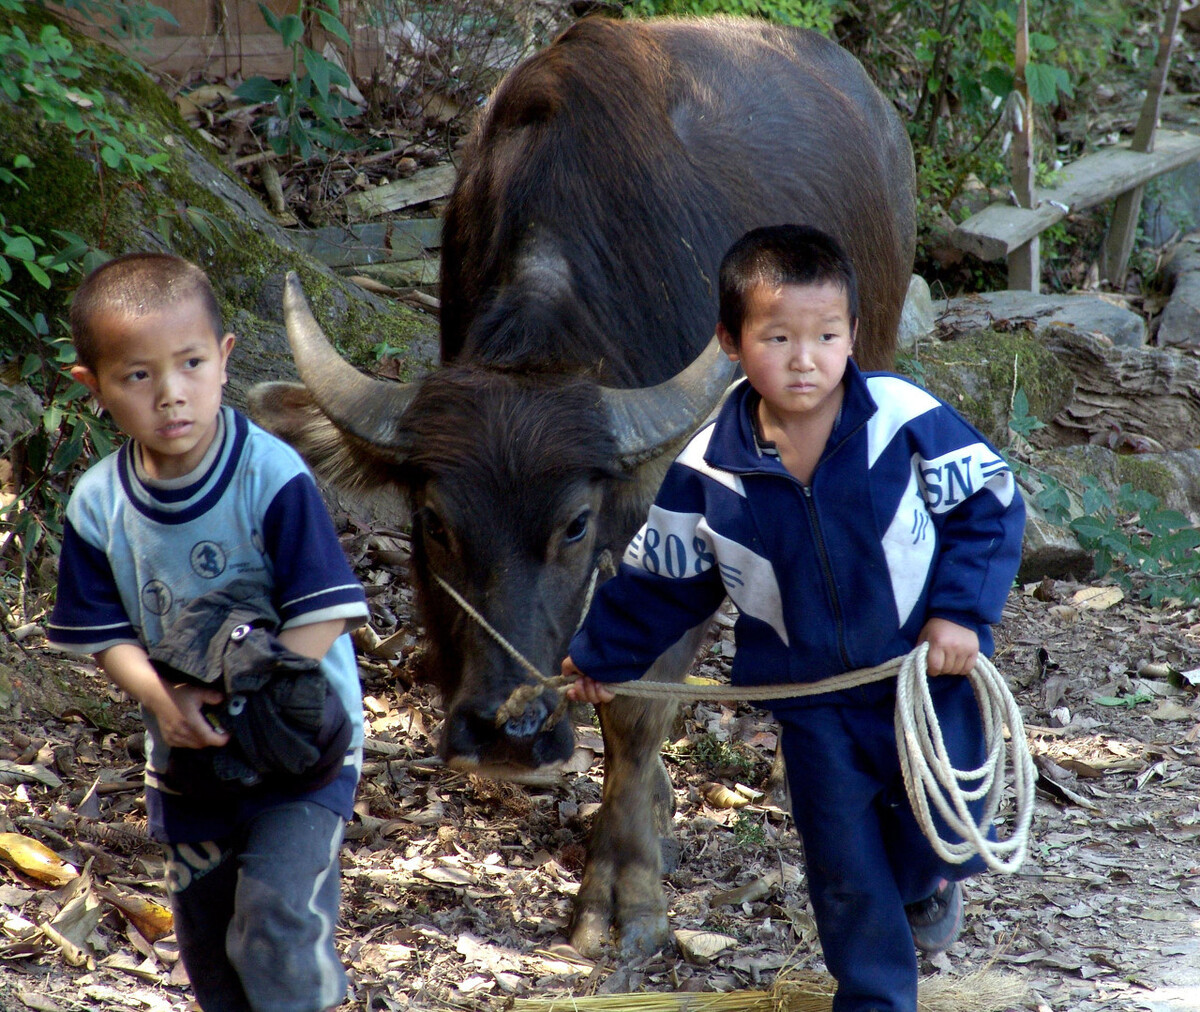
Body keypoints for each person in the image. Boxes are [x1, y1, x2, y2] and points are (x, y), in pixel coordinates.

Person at [563, 225, 1026, 1012]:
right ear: (731, 344)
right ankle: (877, 998)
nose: (804, 358)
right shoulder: (709, 469)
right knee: (844, 869)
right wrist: (602, 655)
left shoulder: (904, 422)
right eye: (777, 337)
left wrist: (958, 615)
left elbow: (991, 506)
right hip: (812, 705)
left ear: (854, 336)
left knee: (939, 830)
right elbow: (664, 581)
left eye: (826, 336)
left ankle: (926, 885)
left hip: (924, 680)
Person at [46, 253, 370, 1012]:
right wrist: (162, 704)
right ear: (90, 388)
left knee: (277, 922)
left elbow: (324, 612)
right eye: (137, 376)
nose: (171, 395)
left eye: (191, 364)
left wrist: (263, 688)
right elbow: (106, 635)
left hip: (303, 748)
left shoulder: (272, 475)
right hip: (189, 758)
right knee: (209, 942)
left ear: (224, 361)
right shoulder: (98, 507)